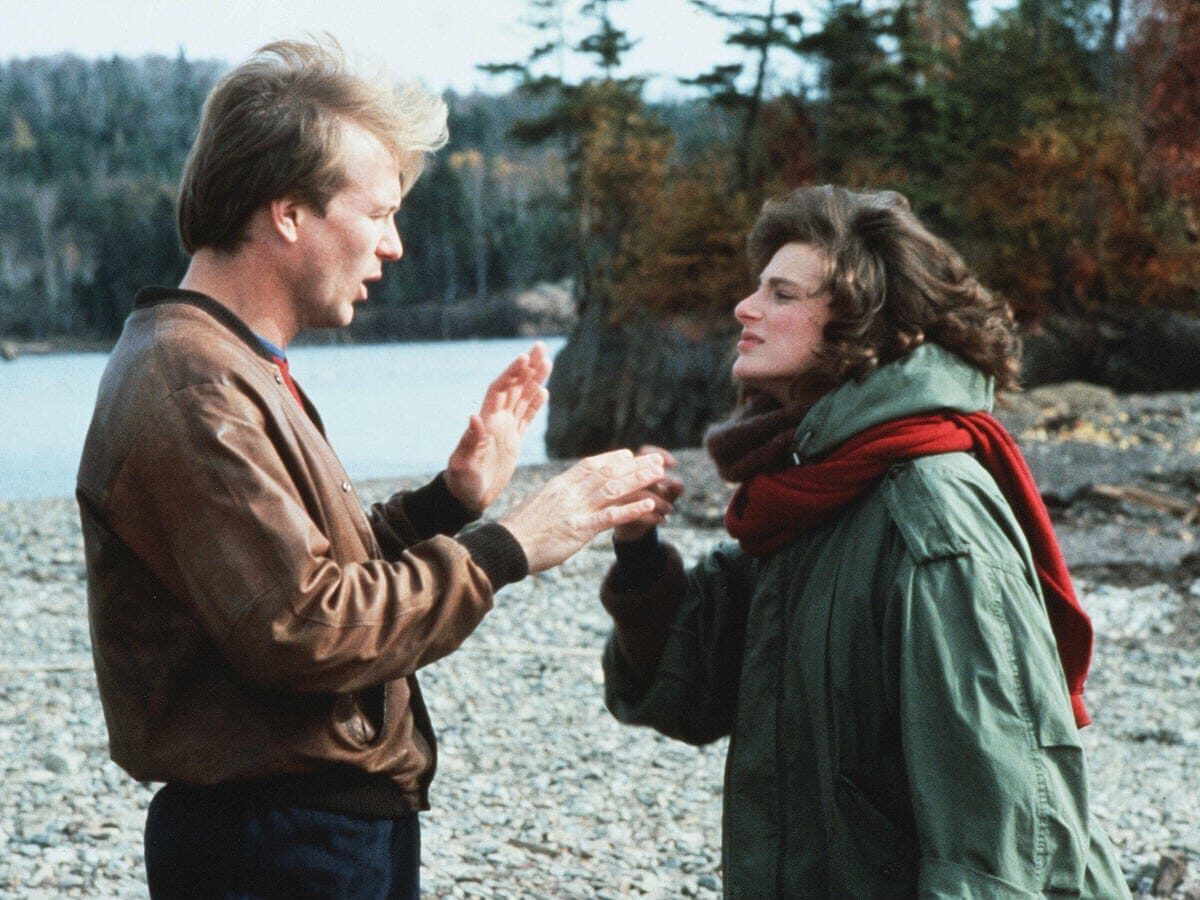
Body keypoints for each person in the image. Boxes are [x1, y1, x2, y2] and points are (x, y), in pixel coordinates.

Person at [76, 39, 665, 899]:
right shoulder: (194, 382)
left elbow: (299, 575)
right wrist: (511, 546)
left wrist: (449, 501)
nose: (393, 246)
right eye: (380, 213)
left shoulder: (225, 361)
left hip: (301, 830)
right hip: (274, 844)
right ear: (288, 214)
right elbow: (303, 629)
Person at [599, 185, 1130, 897]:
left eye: (782, 294)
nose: (744, 308)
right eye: (758, 287)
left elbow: (999, 828)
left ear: (861, 328)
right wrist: (638, 550)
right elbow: (687, 692)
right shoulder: (808, 490)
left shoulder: (929, 514)